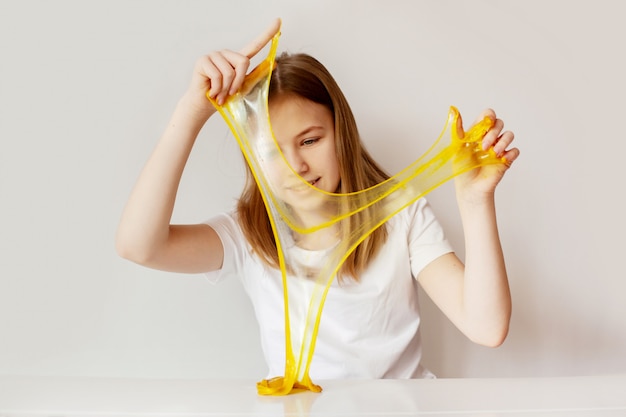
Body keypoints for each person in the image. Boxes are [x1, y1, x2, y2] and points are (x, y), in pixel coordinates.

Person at [116, 19, 520, 380]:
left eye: (310, 140)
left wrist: (474, 201)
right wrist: (192, 112)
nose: (297, 167)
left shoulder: (401, 214)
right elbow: (138, 246)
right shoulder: (248, 233)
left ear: (341, 132)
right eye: (272, 151)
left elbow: (486, 327)